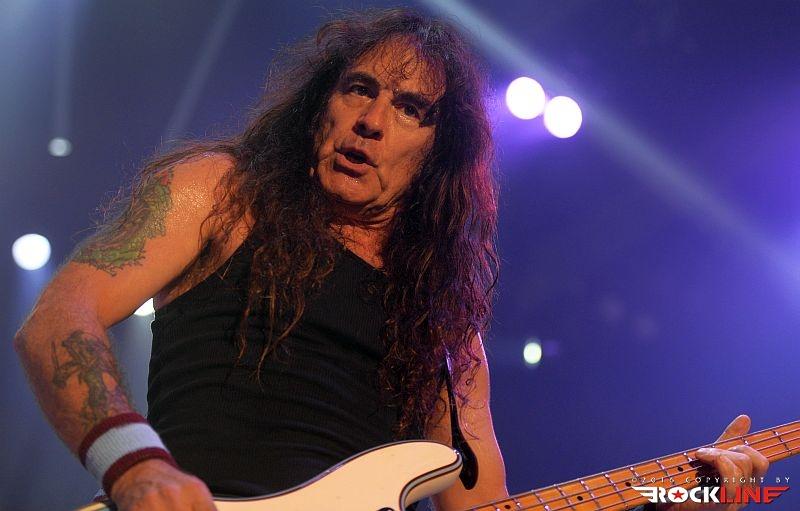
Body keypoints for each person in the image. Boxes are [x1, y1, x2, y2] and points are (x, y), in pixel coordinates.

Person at [14, 8, 768, 511]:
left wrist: (688, 494)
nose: (372, 121)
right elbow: (57, 320)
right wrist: (136, 464)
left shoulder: (445, 328)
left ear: (439, 153)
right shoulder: (220, 192)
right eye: (359, 89)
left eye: (411, 109)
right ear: (322, 105)